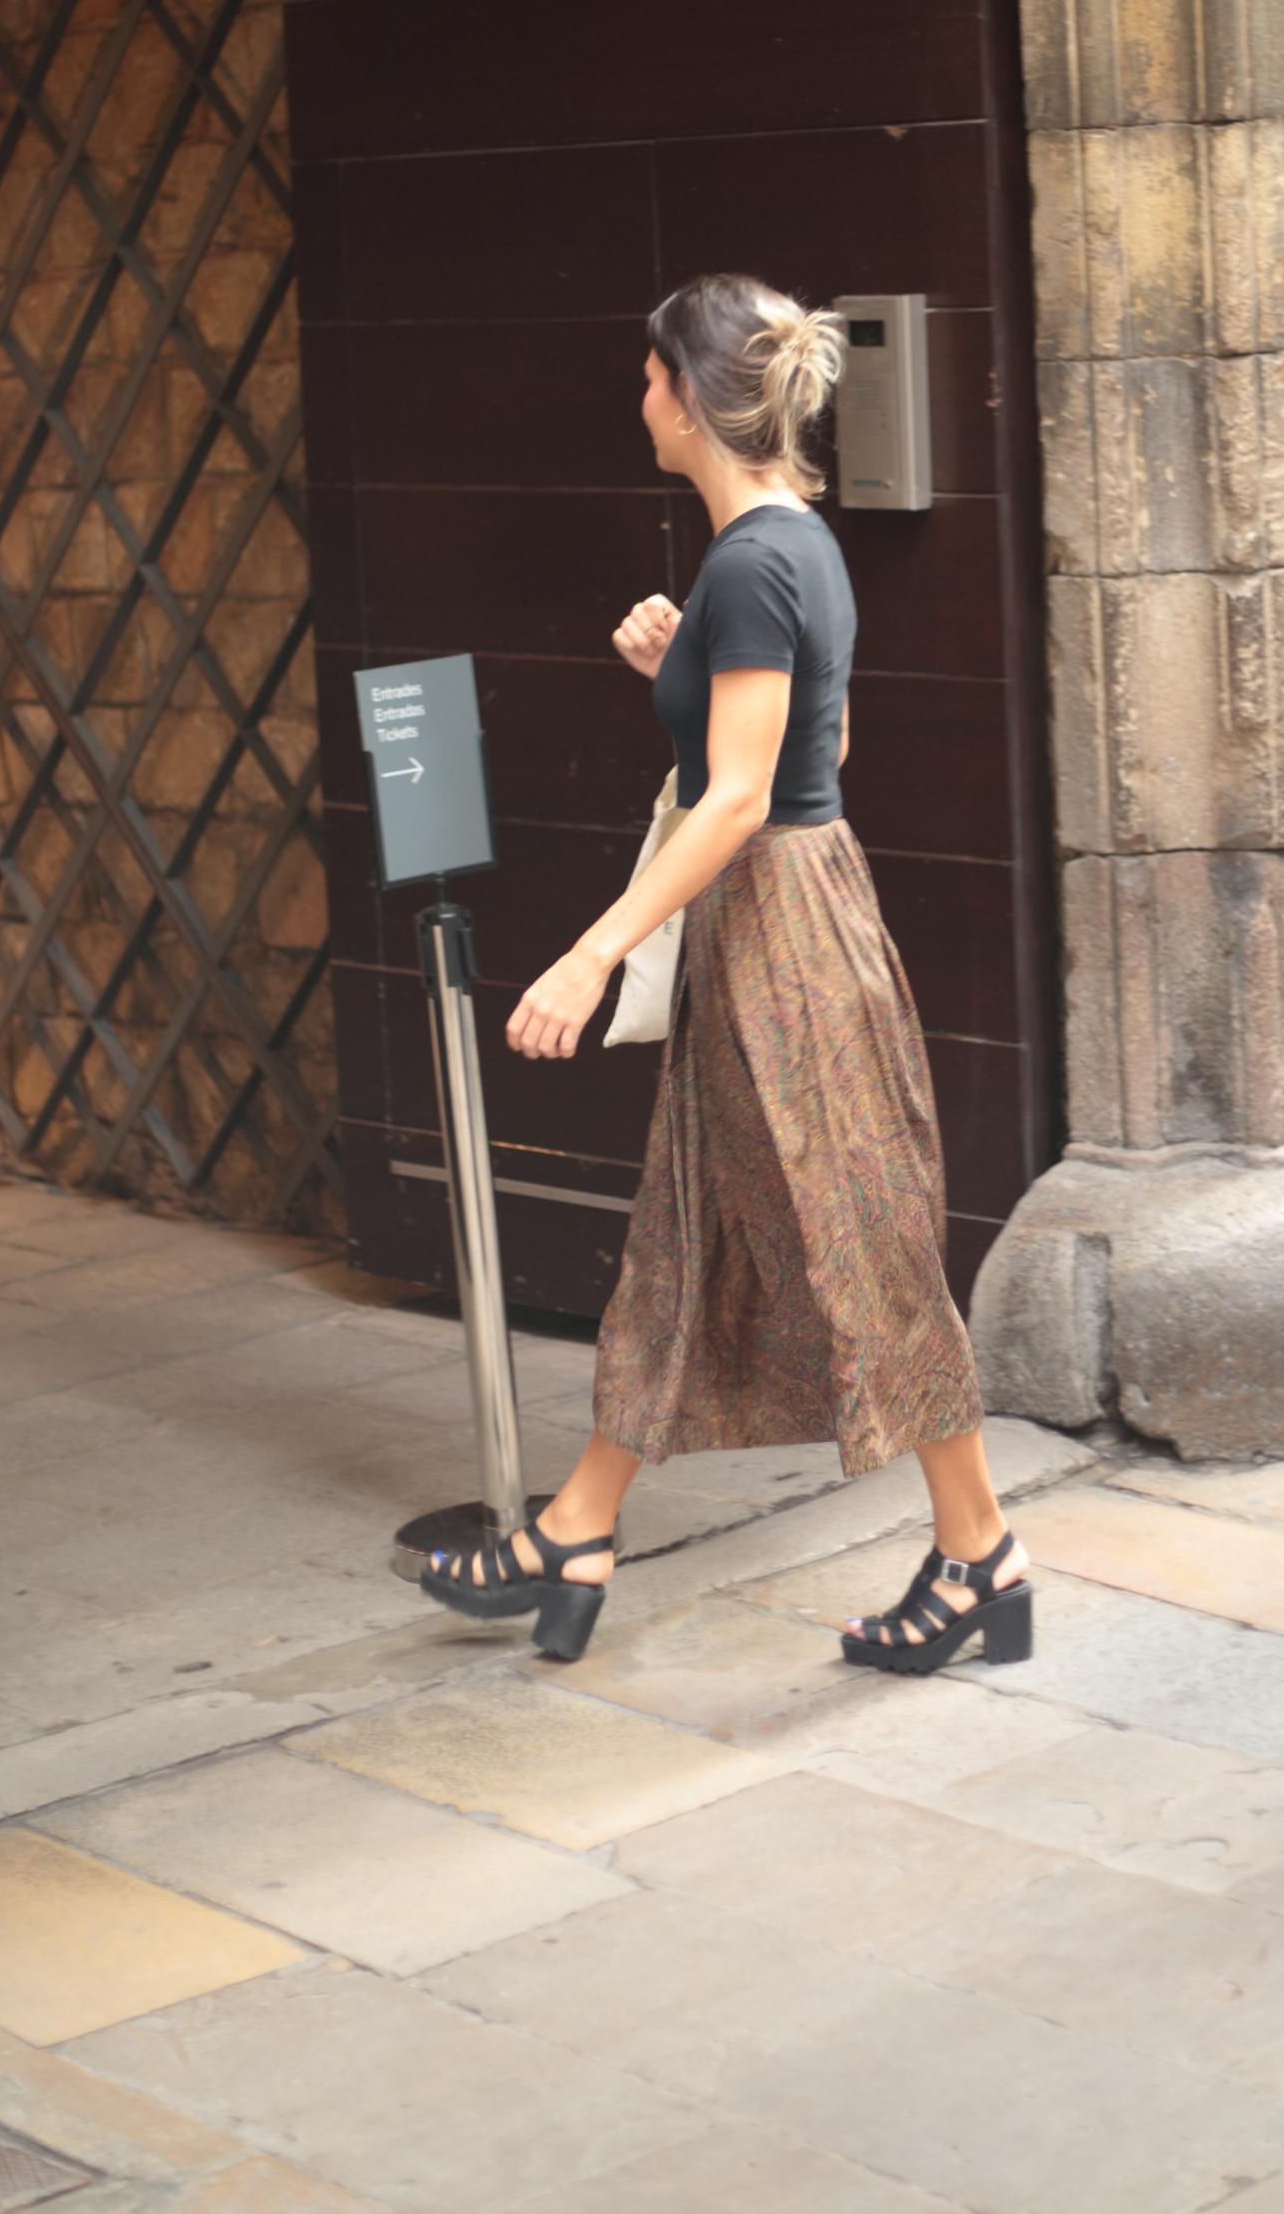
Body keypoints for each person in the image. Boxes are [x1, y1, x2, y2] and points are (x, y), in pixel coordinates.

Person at [421, 273, 1033, 1675]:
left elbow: (746, 797)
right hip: (782, 921)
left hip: (784, 937)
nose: (638, 399)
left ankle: (981, 1550)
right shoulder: (789, 545)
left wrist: (592, 952)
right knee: (687, 1231)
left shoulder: (753, 565)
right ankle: (576, 1527)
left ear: (692, 399)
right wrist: (677, 666)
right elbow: (822, 744)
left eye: (650, 377)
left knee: (867, 1243)